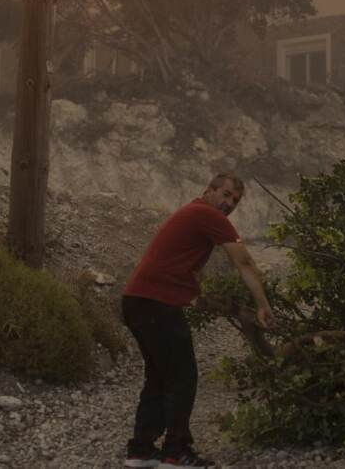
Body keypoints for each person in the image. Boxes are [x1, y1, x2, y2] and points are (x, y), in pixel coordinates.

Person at [121, 173, 273, 469]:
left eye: (235, 201)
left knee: (159, 375)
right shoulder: (207, 214)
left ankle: (141, 450)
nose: (229, 204)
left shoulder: (193, 213)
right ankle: (175, 453)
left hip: (136, 300)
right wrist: (263, 305)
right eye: (226, 195)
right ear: (209, 190)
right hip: (156, 302)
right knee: (183, 376)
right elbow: (243, 261)